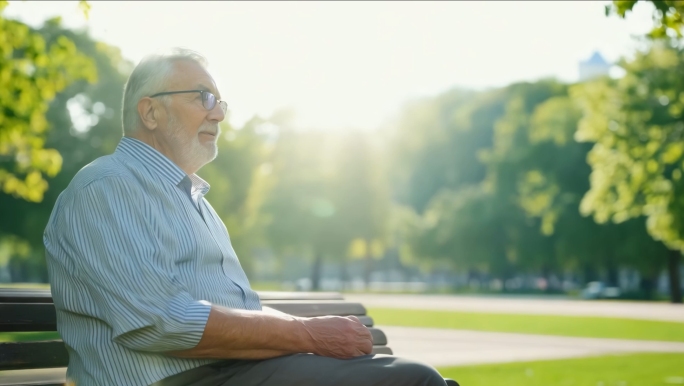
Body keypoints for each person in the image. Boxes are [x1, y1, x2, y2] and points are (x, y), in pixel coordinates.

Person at [44, 48, 447, 386]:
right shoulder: (107, 187)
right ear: (150, 112)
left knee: (419, 380)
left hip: (231, 372)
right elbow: (158, 321)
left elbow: (242, 308)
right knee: (414, 381)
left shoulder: (194, 200)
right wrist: (306, 333)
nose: (218, 114)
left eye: (220, 102)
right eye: (203, 97)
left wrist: (308, 330)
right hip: (183, 380)